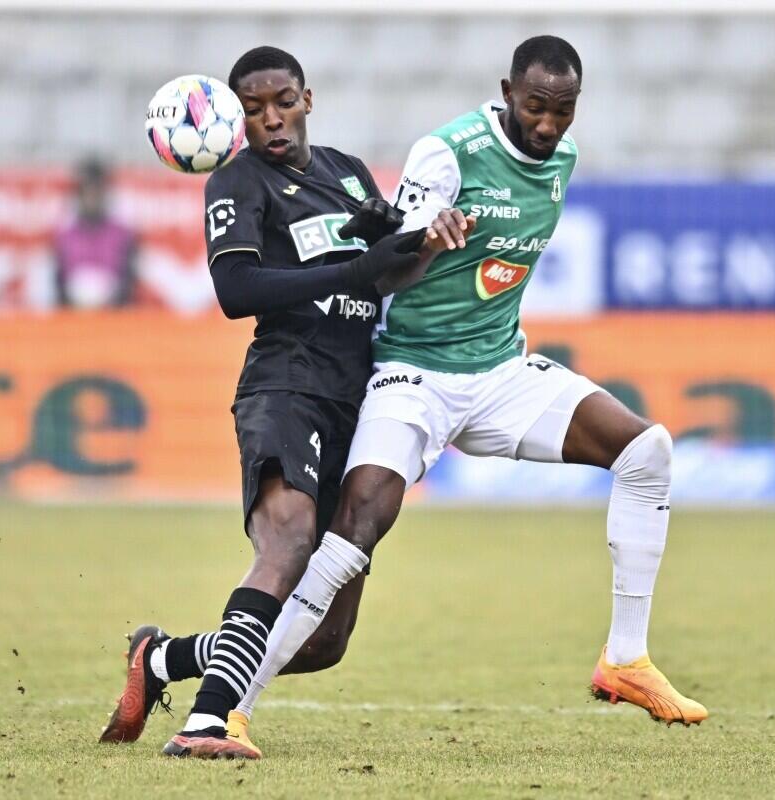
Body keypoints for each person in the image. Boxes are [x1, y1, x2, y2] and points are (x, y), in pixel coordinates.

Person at [226, 34, 709, 757]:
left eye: (564, 111)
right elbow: (388, 273)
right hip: (412, 374)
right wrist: (426, 240)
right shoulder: (447, 153)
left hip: (498, 375)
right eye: (536, 107)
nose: (548, 125)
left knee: (648, 450)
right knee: (357, 527)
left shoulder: (563, 161)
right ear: (508, 91)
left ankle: (626, 660)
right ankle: (233, 707)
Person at [94, 46, 460, 759]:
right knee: (286, 540)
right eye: (255, 108)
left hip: (361, 401)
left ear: (307, 99)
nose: (272, 120)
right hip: (286, 384)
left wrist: (432, 241)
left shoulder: (348, 173)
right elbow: (236, 291)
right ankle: (208, 720)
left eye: (283, 102)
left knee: (325, 639)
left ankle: (164, 659)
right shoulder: (237, 181)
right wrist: (351, 268)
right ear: (237, 117)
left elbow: (388, 270)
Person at [53, 159, 138, 309]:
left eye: (96, 192)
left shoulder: (122, 235)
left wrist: (112, 300)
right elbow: (58, 281)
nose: (92, 199)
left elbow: (128, 280)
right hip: (73, 316)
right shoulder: (65, 236)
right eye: (87, 192)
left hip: (113, 316)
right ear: (78, 195)